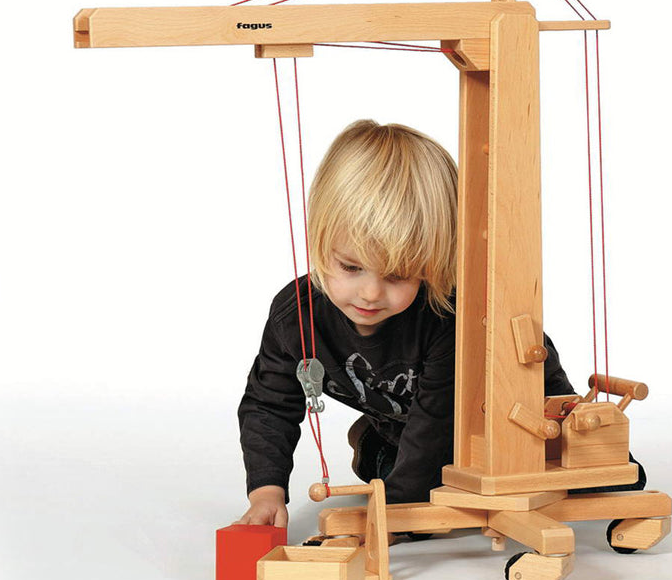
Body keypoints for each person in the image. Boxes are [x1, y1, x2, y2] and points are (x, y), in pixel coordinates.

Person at [235, 120, 576, 527]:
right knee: (400, 458)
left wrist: (392, 520)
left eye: (397, 275)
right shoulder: (295, 317)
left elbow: (435, 427)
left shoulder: (448, 321)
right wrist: (267, 491)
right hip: (413, 430)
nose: (370, 293)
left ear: (433, 264)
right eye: (350, 266)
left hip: (518, 424)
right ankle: (384, 453)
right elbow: (268, 404)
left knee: (552, 461)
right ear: (319, 239)